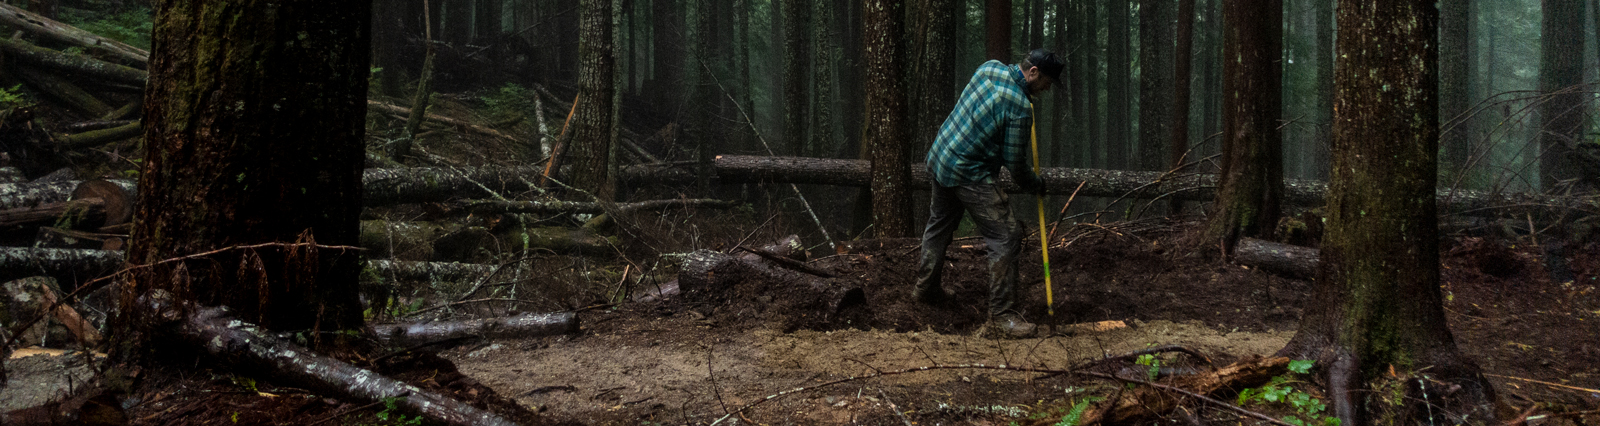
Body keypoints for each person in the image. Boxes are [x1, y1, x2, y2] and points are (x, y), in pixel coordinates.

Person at [914, 49, 1063, 339]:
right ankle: (1001, 318)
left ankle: (926, 288)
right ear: (1033, 72)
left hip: (941, 156)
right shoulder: (1020, 107)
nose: (1047, 89)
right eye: (1047, 82)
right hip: (968, 172)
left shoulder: (989, 68)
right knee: (1006, 235)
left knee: (939, 224)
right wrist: (1036, 184)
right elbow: (1015, 164)